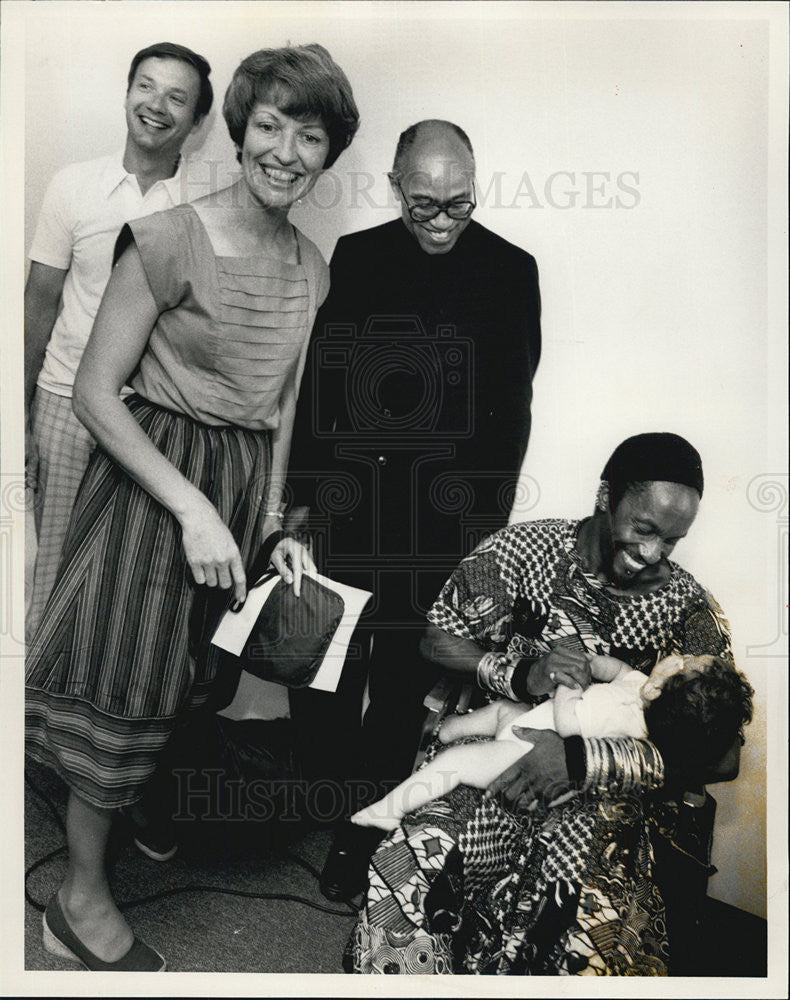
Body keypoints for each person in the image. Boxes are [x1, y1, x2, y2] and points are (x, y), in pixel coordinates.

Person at [25, 44, 359, 972]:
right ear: (240, 129)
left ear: (330, 151)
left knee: (184, 687)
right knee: (119, 685)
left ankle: (112, 839)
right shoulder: (169, 236)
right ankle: (78, 905)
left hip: (237, 489)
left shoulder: (315, 269)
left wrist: (268, 524)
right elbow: (96, 391)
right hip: (152, 481)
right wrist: (190, 510)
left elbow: (283, 404)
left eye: (311, 133)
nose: (287, 151)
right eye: (270, 126)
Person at [347, 432, 750, 975]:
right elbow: (435, 638)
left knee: (586, 940)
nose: (652, 553)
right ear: (606, 497)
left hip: (610, 804)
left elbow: (723, 757)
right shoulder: (523, 552)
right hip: (496, 761)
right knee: (421, 870)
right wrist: (519, 673)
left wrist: (582, 763)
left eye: (671, 541)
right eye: (644, 529)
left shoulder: (688, 609)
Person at [285, 118, 542, 899]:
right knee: (320, 671)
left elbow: (512, 416)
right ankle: (327, 794)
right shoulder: (359, 255)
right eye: (422, 203)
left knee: (399, 685)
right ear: (395, 186)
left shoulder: (511, 270)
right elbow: (323, 389)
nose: (439, 220)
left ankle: (360, 834)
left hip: (438, 526)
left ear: (476, 184)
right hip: (349, 504)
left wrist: (481, 547)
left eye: (457, 203)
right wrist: (300, 499)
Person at [25, 42, 214, 638]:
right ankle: (28, 715)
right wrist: (19, 418)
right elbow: (38, 306)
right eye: (145, 87)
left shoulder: (205, 207)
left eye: (176, 97)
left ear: (197, 121)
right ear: (127, 93)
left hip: (153, 421)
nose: (156, 105)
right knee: (47, 571)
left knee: (125, 581)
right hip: (63, 405)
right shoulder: (72, 187)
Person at [351, 653, 752, 830]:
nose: (681, 655)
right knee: (502, 710)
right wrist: (591, 664)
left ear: (657, 693)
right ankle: (447, 728)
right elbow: (618, 670)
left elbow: (570, 731)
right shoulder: (640, 685)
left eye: (685, 663)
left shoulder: (623, 724)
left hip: (528, 750)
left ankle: (390, 808)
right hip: (528, 721)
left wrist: (569, 690)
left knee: (457, 762)